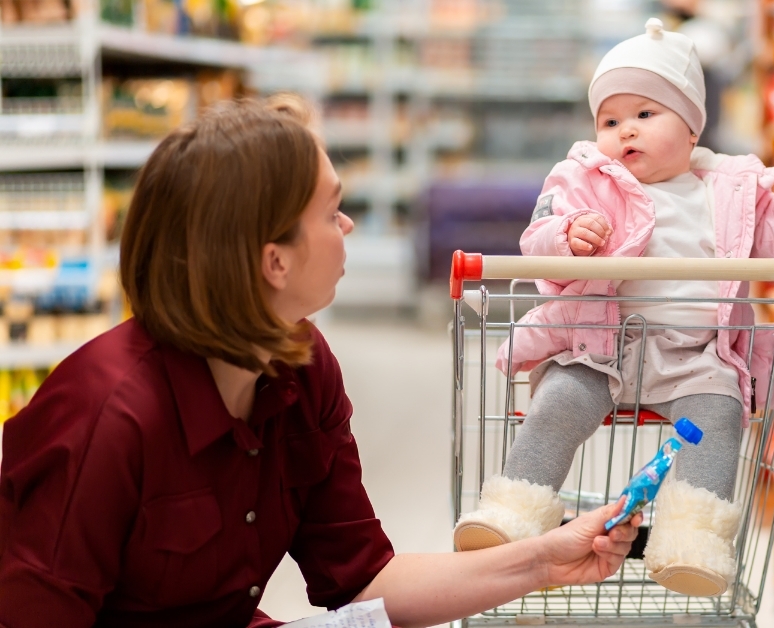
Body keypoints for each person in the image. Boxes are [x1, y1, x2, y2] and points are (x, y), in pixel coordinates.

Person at [0, 96, 641, 628]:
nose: (349, 226)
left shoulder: (300, 368)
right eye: (332, 210)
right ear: (273, 261)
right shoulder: (107, 418)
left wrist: (542, 562)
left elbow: (364, 579)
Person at [453, 19, 774, 598]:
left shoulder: (728, 190)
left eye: (644, 114)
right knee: (558, 401)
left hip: (698, 355)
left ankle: (692, 541)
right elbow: (537, 238)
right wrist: (567, 236)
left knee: (720, 415)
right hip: (601, 347)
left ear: (691, 130)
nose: (624, 132)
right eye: (609, 121)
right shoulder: (583, 178)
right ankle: (513, 512)